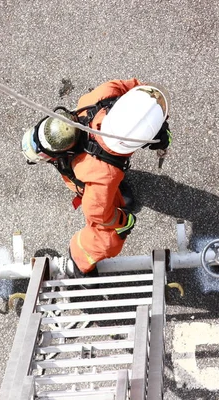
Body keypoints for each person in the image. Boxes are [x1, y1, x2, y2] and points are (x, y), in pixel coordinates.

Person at [21, 78, 171, 287]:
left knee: (112, 191)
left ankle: (118, 196)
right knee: (108, 239)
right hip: (86, 178)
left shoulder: (103, 96)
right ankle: (80, 260)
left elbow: (137, 90)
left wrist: (159, 126)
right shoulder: (102, 176)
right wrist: (123, 221)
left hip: (92, 168)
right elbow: (99, 215)